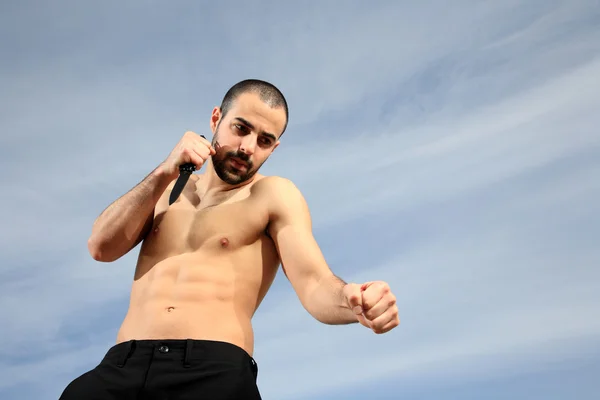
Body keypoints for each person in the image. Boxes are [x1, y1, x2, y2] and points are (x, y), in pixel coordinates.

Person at [59, 79, 400, 400]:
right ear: (215, 118)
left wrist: (351, 301)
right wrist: (165, 170)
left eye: (265, 140)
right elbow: (101, 246)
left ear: (274, 147)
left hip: (211, 372)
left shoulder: (272, 194)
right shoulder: (164, 191)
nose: (248, 147)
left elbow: (313, 283)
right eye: (241, 128)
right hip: (122, 366)